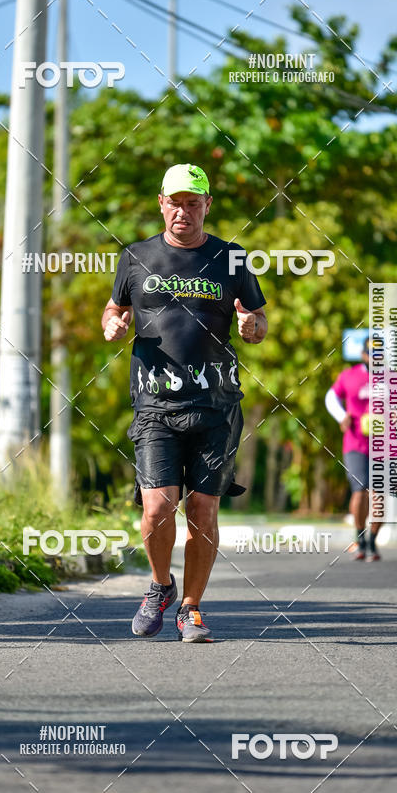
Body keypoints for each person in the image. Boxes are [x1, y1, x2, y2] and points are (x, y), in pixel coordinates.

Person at [101, 164, 267, 642]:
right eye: (175, 201)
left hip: (216, 403)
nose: (183, 210)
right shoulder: (136, 256)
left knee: (202, 510)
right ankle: (160, 585)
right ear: (161, 204)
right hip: (154, 401)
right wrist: (112, 322)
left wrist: (253, 327)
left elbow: (256, 315)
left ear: (207, 206)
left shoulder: (231, 258)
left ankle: (191, 608)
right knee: (157, 507)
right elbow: (117, 307)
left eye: (193, 202)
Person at [325, 336, 397, 561]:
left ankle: (372, 541)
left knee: (379, 494)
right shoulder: (349, 376)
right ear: (363, 354)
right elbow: (331, 397)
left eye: (379, 356)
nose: (374, 359)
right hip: (355, 442)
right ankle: (359, 538)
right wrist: (341, 416)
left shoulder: (394, 378)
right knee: (360, 490)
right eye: (371, 355)